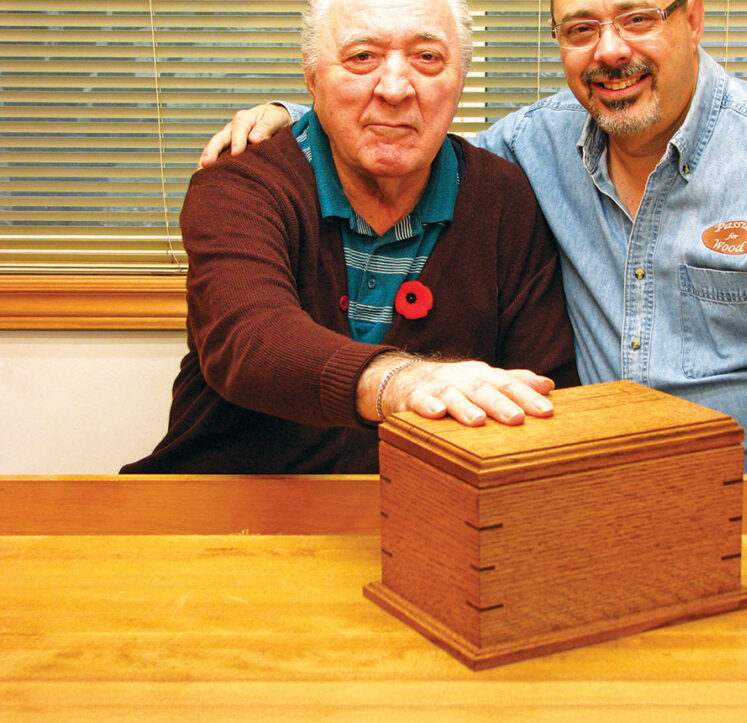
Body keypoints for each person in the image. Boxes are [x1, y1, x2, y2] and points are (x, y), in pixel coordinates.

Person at [198, 0, 747, 581]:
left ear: (694, 18)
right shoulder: (534, 147)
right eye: (581, 28)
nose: (610, 50)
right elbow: (403, 132)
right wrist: (294, 115)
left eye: (638, 17)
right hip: (607, 514)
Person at [122, 0, 578, 476]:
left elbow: (545, 389)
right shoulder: (240, 187)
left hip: (427, 505)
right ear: (311, 75)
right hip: (224, 501)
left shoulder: (504, 197)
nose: (395, 89)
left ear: (460, 78)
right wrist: (401, 382)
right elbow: (250, 340)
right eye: (362, 57)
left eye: (427, 58)